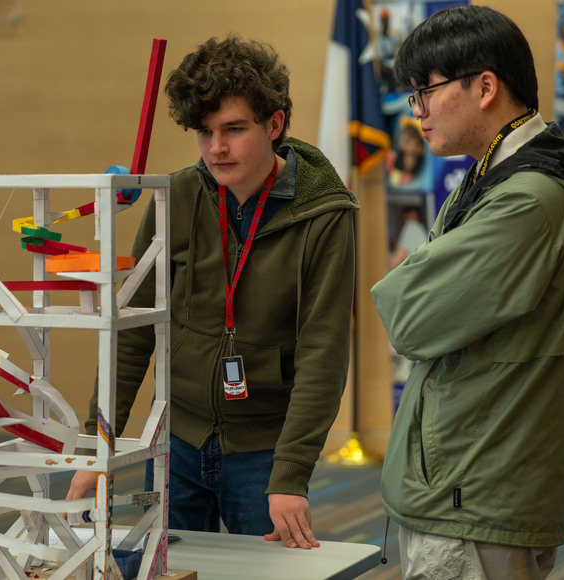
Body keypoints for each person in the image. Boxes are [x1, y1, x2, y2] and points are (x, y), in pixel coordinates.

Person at [67, 36, 358, 550]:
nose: (216, 149)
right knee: (171, 568)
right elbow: (133, 329)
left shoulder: (325, 215)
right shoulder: (176, 196)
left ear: (275, 124)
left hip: (266, 451)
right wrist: (99, 439)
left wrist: (290, 473)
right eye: (204, 133)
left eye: (234, 130)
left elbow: (324, 351)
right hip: (175, 441)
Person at [370, 5, 564, 579]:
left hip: (474, 496)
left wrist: (415, 278)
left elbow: (409, 317)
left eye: (426, 92)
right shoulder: (500, 176)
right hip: (470, 485)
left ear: (485, 87)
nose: (419, 113)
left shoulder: (527, 200)